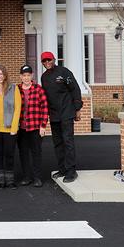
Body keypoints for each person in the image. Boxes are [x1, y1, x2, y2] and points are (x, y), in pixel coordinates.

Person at [40, 51, 83, 183]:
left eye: (49, 60)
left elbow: (75, 89)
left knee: (68, 141)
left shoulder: (64, 72)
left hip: (66, 112)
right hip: (54, 115)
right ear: (42, 63)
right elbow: (45, 97)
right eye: (44, 61)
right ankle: (63, 169)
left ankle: (71, 171)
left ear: (54, 59)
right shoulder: (44, 77)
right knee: (57, 143)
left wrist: (78, 108)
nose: (47, 63)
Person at [17, 65, 49, 188]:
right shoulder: (16, 89)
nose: (26, 77)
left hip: (35, 127)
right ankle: (26, 177)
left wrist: (43, 126)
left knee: (36, 153)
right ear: (21, 76)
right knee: (23, 153)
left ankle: (37, 178)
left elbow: (45, 108)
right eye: (24, 75)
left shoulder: (38, 89)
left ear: (32, 76)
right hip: (21, 128)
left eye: (28, 75)